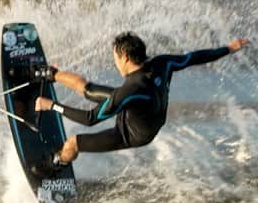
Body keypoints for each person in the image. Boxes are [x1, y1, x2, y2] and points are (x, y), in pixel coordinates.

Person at [32, 32, 250, 172]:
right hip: (140, 110)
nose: (114, 61)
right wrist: (228, 49)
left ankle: (56, 163)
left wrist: (52, 105)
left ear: (125, 57)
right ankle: (51, 74)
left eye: (115, 57)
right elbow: (194, 57)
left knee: (73, 143)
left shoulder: (129, 91)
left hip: (131, 134)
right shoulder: (163, 63)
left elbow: (90, 120)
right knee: (88, 90)